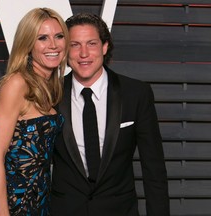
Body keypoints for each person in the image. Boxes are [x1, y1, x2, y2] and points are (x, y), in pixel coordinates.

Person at [50, 13, 170, 216]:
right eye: (75, 45)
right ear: (65, 51)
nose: (84, 53)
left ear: (105, 47)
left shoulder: (136, 93)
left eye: (92, 44)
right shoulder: (49, 95)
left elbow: (154, 169)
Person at [0, 7, 69, 216]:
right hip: (15, 205)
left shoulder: (52, 87)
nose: (53, 45)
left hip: (40, 203)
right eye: (42, 38)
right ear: (28, 44)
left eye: (59, 36)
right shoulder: (17, 83)